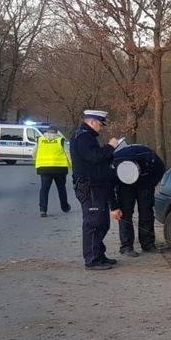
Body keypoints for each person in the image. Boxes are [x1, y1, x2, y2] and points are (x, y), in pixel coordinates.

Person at [69, 109, 121, 270]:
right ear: (92, 122)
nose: (101, 128)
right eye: (100, 124)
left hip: (95, 185)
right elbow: (94, 156)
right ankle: (92, 259)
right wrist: (110, 147)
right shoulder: (83, 137)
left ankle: (99, 254)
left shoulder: (87, 136)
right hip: (88, 186)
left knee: (102, 222)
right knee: (93, 222)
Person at [112, 144, 166, 256]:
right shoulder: (115, 162)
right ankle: (126, 246)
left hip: (145, 182)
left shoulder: (148, 156)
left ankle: (148, 244)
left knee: (147, 213)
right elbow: (108, 185)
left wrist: (151, 184)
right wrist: (113, 206)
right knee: (125, 214)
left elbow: (161, 169)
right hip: (124, 186)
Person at [33, 125, 71, 217]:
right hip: (60, 169)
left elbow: (34, 153)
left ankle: (43, 210)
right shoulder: (61, 141)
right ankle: (65, 207)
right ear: (56, 132)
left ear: (47, 131)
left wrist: (37, 160)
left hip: (44, 168)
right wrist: (72, 165)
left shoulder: (40, 140)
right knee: (61, 188)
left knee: (44, 189)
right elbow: (68, 153)